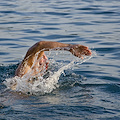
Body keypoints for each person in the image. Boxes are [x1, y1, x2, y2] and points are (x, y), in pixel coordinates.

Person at [15, 41, 92, 78]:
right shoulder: (25, 72)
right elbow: (40, 46)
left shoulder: (23, 75)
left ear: (45, 66)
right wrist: (69, 47)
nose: (44, 57)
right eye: (40, 56)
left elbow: (39, 46)